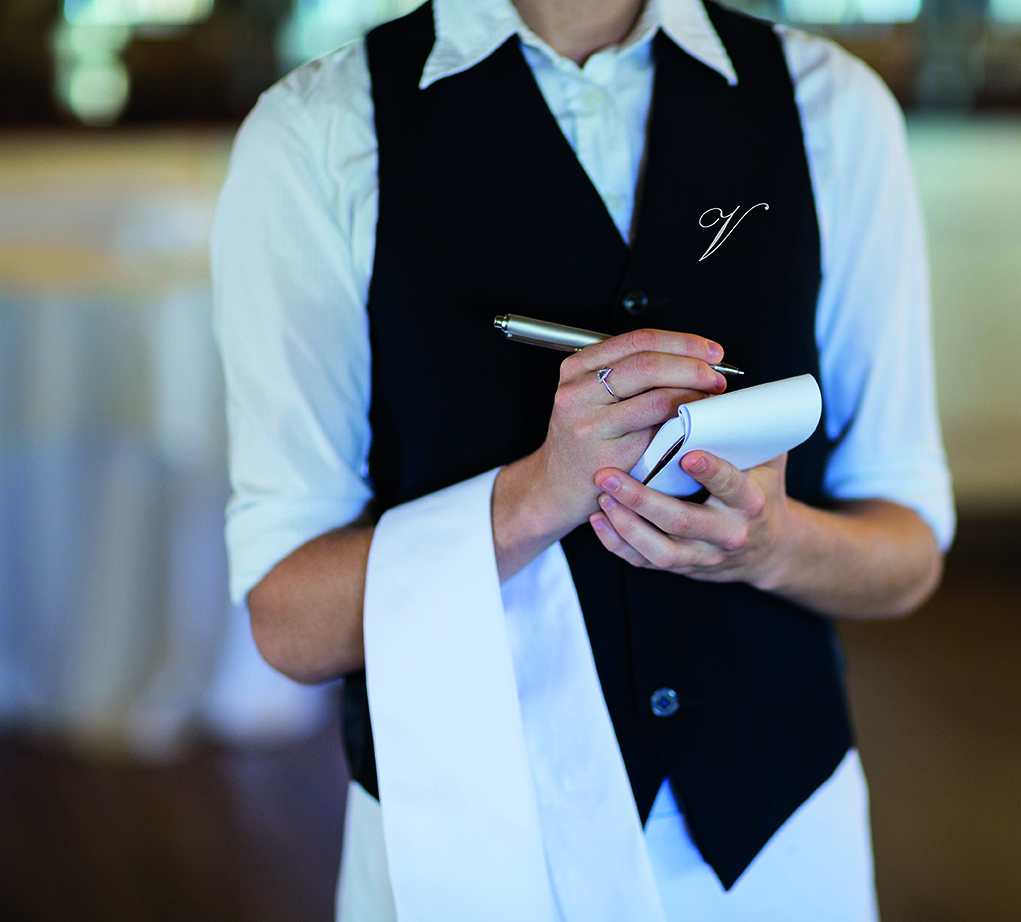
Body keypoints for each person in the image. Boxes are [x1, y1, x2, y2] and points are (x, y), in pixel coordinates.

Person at [212, 0, 954, 916]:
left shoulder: (835, 108)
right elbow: (289, 621)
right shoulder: (314, 137)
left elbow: (908, 555)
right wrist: (533, 497)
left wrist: (773, 544)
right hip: (469, 855)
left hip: (777, 848)